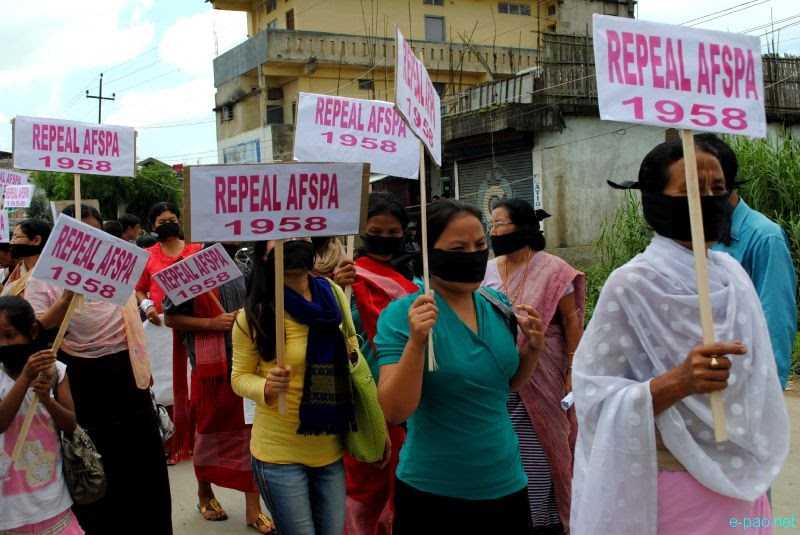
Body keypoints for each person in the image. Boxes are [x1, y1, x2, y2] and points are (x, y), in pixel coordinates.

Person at [573, 140, 790, 534]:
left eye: (717, 189)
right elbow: (593, 396)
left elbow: (757, 378)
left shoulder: (731, 275)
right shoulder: (632, 285)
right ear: (655, 200)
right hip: (673, 488)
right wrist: (677, 382)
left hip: (744, 481)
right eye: (691, 190)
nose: (707, 199)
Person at [374, 199, 545, 534]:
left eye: (480, 245)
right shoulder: (404, 315)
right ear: (428, 252)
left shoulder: (498, 305)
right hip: (434, 493)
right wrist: (416, 344)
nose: (473, 254)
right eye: (458, 247)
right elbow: (394, 410)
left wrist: (533, 351)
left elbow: (504, 385)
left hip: (507, 483)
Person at [27, 203, 173, 535]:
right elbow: (37, 330)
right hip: (79, 378)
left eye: (94, 232)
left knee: (144, 471)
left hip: (127, 374)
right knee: (97, 471)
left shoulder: (114, 265)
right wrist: (66, 298)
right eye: (78, 234)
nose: (88, 241)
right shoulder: (43, 277)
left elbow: (134, 307)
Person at [232, 238, 357, 535]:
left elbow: (353, 345)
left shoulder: (335, 296)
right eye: (284, 237)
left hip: (330, 449)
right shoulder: (255, 316)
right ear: (264, 255)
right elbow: (238, 377)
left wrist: (351, 354)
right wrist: (266, 386)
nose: (295, 241)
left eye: (301, 234)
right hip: (279, 456)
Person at [484, 198, 584, 534]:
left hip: (545, 376)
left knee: (541, 451)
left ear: (522, 227)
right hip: (499, 381)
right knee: (505, 453)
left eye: (499, 224)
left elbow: (571, 320)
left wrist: (571, 369)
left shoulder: (554, 269)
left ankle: (543, 520)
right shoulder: (487, 269)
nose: (493, 231)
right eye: (492, 224)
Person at [163, 243, 276, 534]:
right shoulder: (190, 268)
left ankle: (254, 508)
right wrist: (212, 323)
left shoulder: (249, 263)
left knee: (251, 432)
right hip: (210, 369)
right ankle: (205, 492)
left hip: (248, 362)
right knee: (208, 430)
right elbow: (171, 318)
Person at [344, 192, 419, 535]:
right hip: (361, 397)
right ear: (362, 231)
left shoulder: (417, 280)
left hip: (408, 394)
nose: (385, 239)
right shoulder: (346, 278)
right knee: (363, 482)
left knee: (404, 478)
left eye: (393, 232)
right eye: (377, 230)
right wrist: (336, 289)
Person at [697, 133, 798, 390]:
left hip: (743, 386)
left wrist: (766, 392)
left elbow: (776, 321)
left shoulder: (764, 237)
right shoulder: (696, 236)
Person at [0, 296, 83, 534]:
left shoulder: (55, 371)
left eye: (10, 335)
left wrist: (47, 399)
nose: (4, 345)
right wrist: (26, 378)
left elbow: (70, 423)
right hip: (8, 512)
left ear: (32, 332)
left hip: (52, 502)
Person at [135, 202, 202, 466]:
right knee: (167, 386)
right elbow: (139, 289)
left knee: (193, 381)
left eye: (172, 219)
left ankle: (197, 442)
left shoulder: (196, 250)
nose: (168, 225)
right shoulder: (147, 255)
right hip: (162, 330)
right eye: (162, 222)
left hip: (195, 326)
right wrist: (147, 305)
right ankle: (174, 443)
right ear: (153, 226)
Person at [1, 219, 51, 298]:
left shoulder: (48, 273)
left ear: (36, 240)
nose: (11, 242)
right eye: (12, 237)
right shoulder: (19, 269)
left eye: (16, 237)